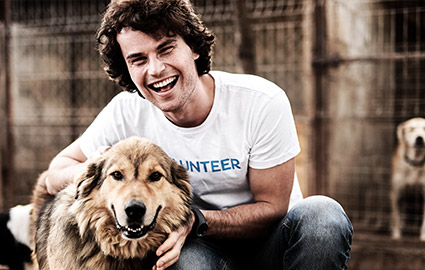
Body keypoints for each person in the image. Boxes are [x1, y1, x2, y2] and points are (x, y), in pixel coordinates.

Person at [44, 0, 353, 269]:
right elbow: (55, 174)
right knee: (184, 260)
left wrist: (195, 221)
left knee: (324, 216)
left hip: (272, 245)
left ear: (192, 47)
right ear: (125, 68)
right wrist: (93, 168)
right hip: (198, 250)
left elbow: (272, 208)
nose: (155, 69)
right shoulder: (126, 111)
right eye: (138, 59)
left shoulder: (261, 102)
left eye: (166, 49)